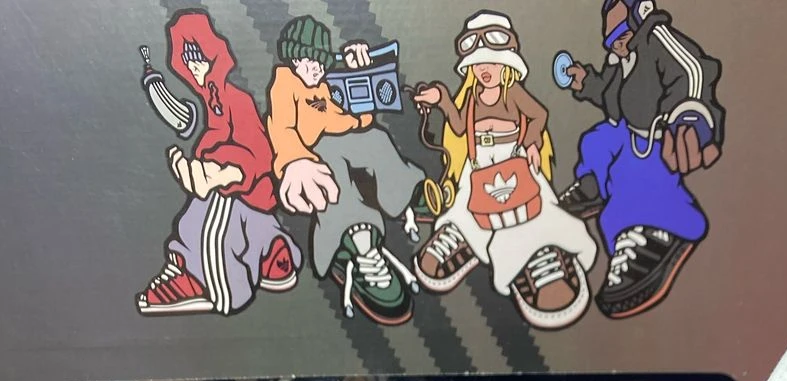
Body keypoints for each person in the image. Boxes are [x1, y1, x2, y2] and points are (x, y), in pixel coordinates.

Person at [413, 12, 597, 329]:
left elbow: (539, 115)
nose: (485, 71)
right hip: (479, 166)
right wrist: (442, 99)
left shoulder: (513, 93)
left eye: (492, 63)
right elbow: (459, 126)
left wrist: (532, 143)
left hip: (515, 160)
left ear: (507, 65)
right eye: (478, 65)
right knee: (468, 206)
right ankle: (463, 235)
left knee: (531, 210)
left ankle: (539, 253)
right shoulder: (472, 98)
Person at [560, 0, 724, 319]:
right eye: (610, 40)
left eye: (621, 35)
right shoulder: (623, 61)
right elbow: (609, 92)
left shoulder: (657, 41)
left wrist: (691, 119)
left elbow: (692, 73)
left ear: (640, 19)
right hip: (627, 131)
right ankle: (595, 185)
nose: (616, 45)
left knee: (634, 173)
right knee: (598, 140)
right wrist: (585, 82)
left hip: (659, 137)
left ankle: (656, 227)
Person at [138, 11, 301, 315]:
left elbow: (258, 152)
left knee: (212, 214)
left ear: (214, 55)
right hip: (250, 196)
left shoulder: (235, 96)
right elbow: (217, 138)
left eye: (199, 57)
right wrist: (203, 167)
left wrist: (223, 173)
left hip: (254, 189)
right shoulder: (214, 101)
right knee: (200, 210)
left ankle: (208, 281)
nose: (194, 66)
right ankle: (271, 251)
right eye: (187, 59)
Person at [266, 16, 422, 323]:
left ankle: (405, 195)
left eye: (319, 62)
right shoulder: (284, 84)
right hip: (311, 155)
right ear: (293, 59)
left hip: (338, 140)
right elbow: (281, 128)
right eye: (306, 61)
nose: (314, 69)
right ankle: (356, 244)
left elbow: (341, 118)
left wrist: (360, 81)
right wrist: (295, 160)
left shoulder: (324, 83)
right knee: (333, 174)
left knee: (376, 138)